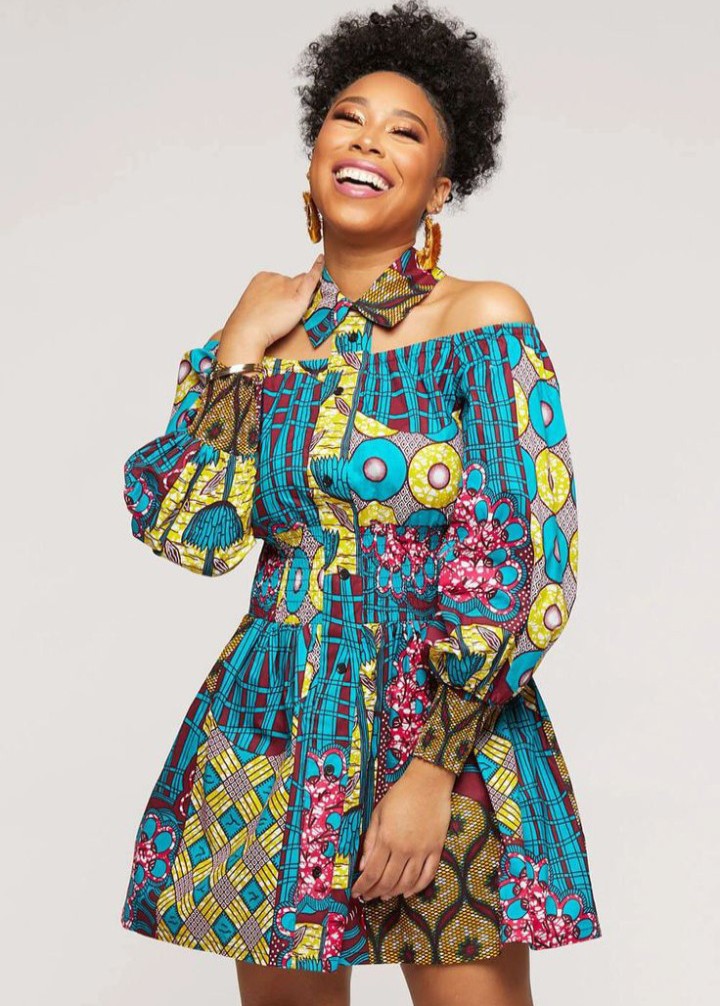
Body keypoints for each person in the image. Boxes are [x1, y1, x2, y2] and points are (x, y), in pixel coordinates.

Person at [119, 2, 602, 1003]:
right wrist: (239, 347)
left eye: (404, 131)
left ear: (441, 186)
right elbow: (191, 532)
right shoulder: (256, 341)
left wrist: (432, 772)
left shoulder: (480, 319)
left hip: (445, 729)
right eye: (348, 118)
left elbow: (525, 559)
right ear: (313, 160)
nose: (369, 141)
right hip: (273, 723)